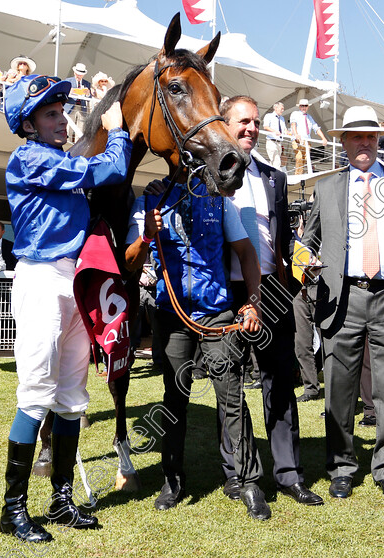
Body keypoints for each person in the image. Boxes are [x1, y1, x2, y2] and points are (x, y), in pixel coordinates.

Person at [0, 75, 131, 543]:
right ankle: (12, 509)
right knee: (36, 392)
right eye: (51, 114)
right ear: (29, 124)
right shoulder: (28, 157)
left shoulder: (56, 158)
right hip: (41, 279)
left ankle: (60, 500)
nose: (62, 120)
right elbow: (105, 172)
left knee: (73, 396)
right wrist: (116, 132)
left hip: (73, 279)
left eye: (62, 112)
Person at [124, 145, 269, 518]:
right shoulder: (150, 200)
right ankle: (172, 480)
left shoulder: (220, 201)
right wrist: (146, 235)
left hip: (217, 314)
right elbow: (129, 261)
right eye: (179, 159)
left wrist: (251, 302)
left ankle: (247, 481)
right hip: (171, 315)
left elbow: (247, 253)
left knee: (231, 396)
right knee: (174, 400)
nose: (186, 164)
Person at [301, 105, 384, 501]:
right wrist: (304, 260)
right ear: (343, 141)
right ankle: (342, 466)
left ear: (379, 140)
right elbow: (308, 239)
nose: (364, 143)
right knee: (339, 389)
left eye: (371, 136)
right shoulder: (326, 188)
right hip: (342, 299)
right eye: (356, 136)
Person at [217, 95, 323, 506]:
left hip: (272, 292)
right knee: (229, 389)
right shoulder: (206, 176)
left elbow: (281, 241)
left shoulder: (274, 178)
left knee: (279, 382)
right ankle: (237, 473)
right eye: (242, 121)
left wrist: (300, 259)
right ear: (224, 124)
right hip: (225, 294)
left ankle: (290, 473)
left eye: (256, 122)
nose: (251, 128)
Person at [289, 98, 328, 175]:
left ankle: (301, 174)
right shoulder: (295, 113)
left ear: (308, 107)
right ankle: (298, 176)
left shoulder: (309, 117)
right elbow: (293, 125)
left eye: (305, 106)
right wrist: (296, 134)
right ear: (299, 107)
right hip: (298, 140)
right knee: (299, 157)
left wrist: (323, 138)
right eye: (302, 106)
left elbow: (316, 128)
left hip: (307, 141)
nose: (304, 107)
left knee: (306, 159)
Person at [64, 62, 91, 142]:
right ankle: (66, 144)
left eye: (80, 74)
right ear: (74, 72)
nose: (78, 76)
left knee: (80, 127)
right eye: (77, 73)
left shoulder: (87, 83)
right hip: (70, 106)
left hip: (82, 107)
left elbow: (89, 97)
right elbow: (63, 93)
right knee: (68, 127)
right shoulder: (68, 81)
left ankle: (77, 145)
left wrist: (87, 93)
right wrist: (70, 92)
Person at [262, 101, 287, 169]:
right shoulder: (269, 116)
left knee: (274, 161)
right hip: (271, 141)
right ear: (276, 108)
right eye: (281, 108)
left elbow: (284, 129)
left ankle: (272, 176)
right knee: (276, 160)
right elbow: (265, 126)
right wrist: (274, 131)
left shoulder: (282, 118)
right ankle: (277, 176)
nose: (283, 110)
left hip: (279, 142)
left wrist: (288, 132)